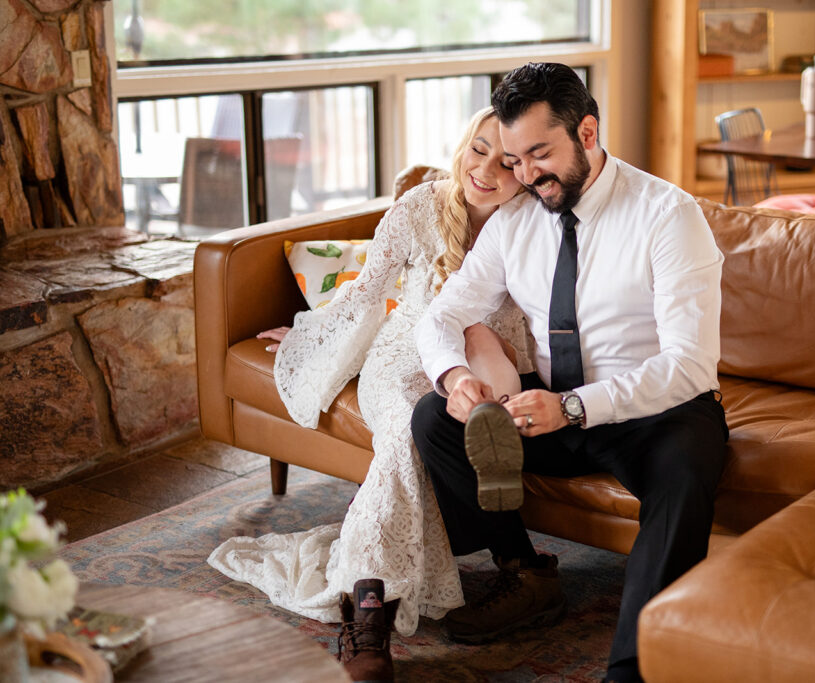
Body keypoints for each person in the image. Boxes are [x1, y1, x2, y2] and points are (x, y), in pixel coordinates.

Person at [411, 63, 730, 683]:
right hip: (553, 405)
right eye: (514, 159)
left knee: (688, 470)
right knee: (433, 419)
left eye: (539, 153)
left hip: (655, 412)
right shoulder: (514, 222)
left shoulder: (668, 216)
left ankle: (634, 668)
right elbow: (442, 315)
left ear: (587, 132)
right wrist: (453, 379)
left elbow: (689, 364)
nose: (525, 175)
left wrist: (576, 407)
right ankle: (524, 574)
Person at [207, 107, 531, 679]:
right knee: (408, 432)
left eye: (506, 163)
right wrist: (309, 332)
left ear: (525, 170)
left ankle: (368, 605)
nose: (486, 170)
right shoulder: (419, 207)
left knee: (440, 411)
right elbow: (366, 292)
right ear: (464, 146)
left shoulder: (530, 219)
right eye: (478, 149)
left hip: (487, 355)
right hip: (403, 353)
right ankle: (369, 614)